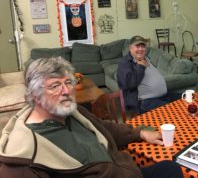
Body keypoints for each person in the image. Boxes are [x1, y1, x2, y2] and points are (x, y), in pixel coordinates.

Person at [0, 57, 183, 178]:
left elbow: (103, 127)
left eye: (68, 82)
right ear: (34, 95)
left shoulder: (72, 112)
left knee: (170, 167)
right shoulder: (23, 160)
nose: (66, 91)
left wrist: (139, 132)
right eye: (55, 86)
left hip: (125, 170)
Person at [117, 36, 178, 114]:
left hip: (162, 97)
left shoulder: (145, 58)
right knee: (174, 110)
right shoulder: (125, 63)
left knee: (186, 97)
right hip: (145, 102)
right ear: (130, 48)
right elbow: (129, 84)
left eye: (142, 46)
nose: (140, 49)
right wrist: (140, 66)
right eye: (137, 46)